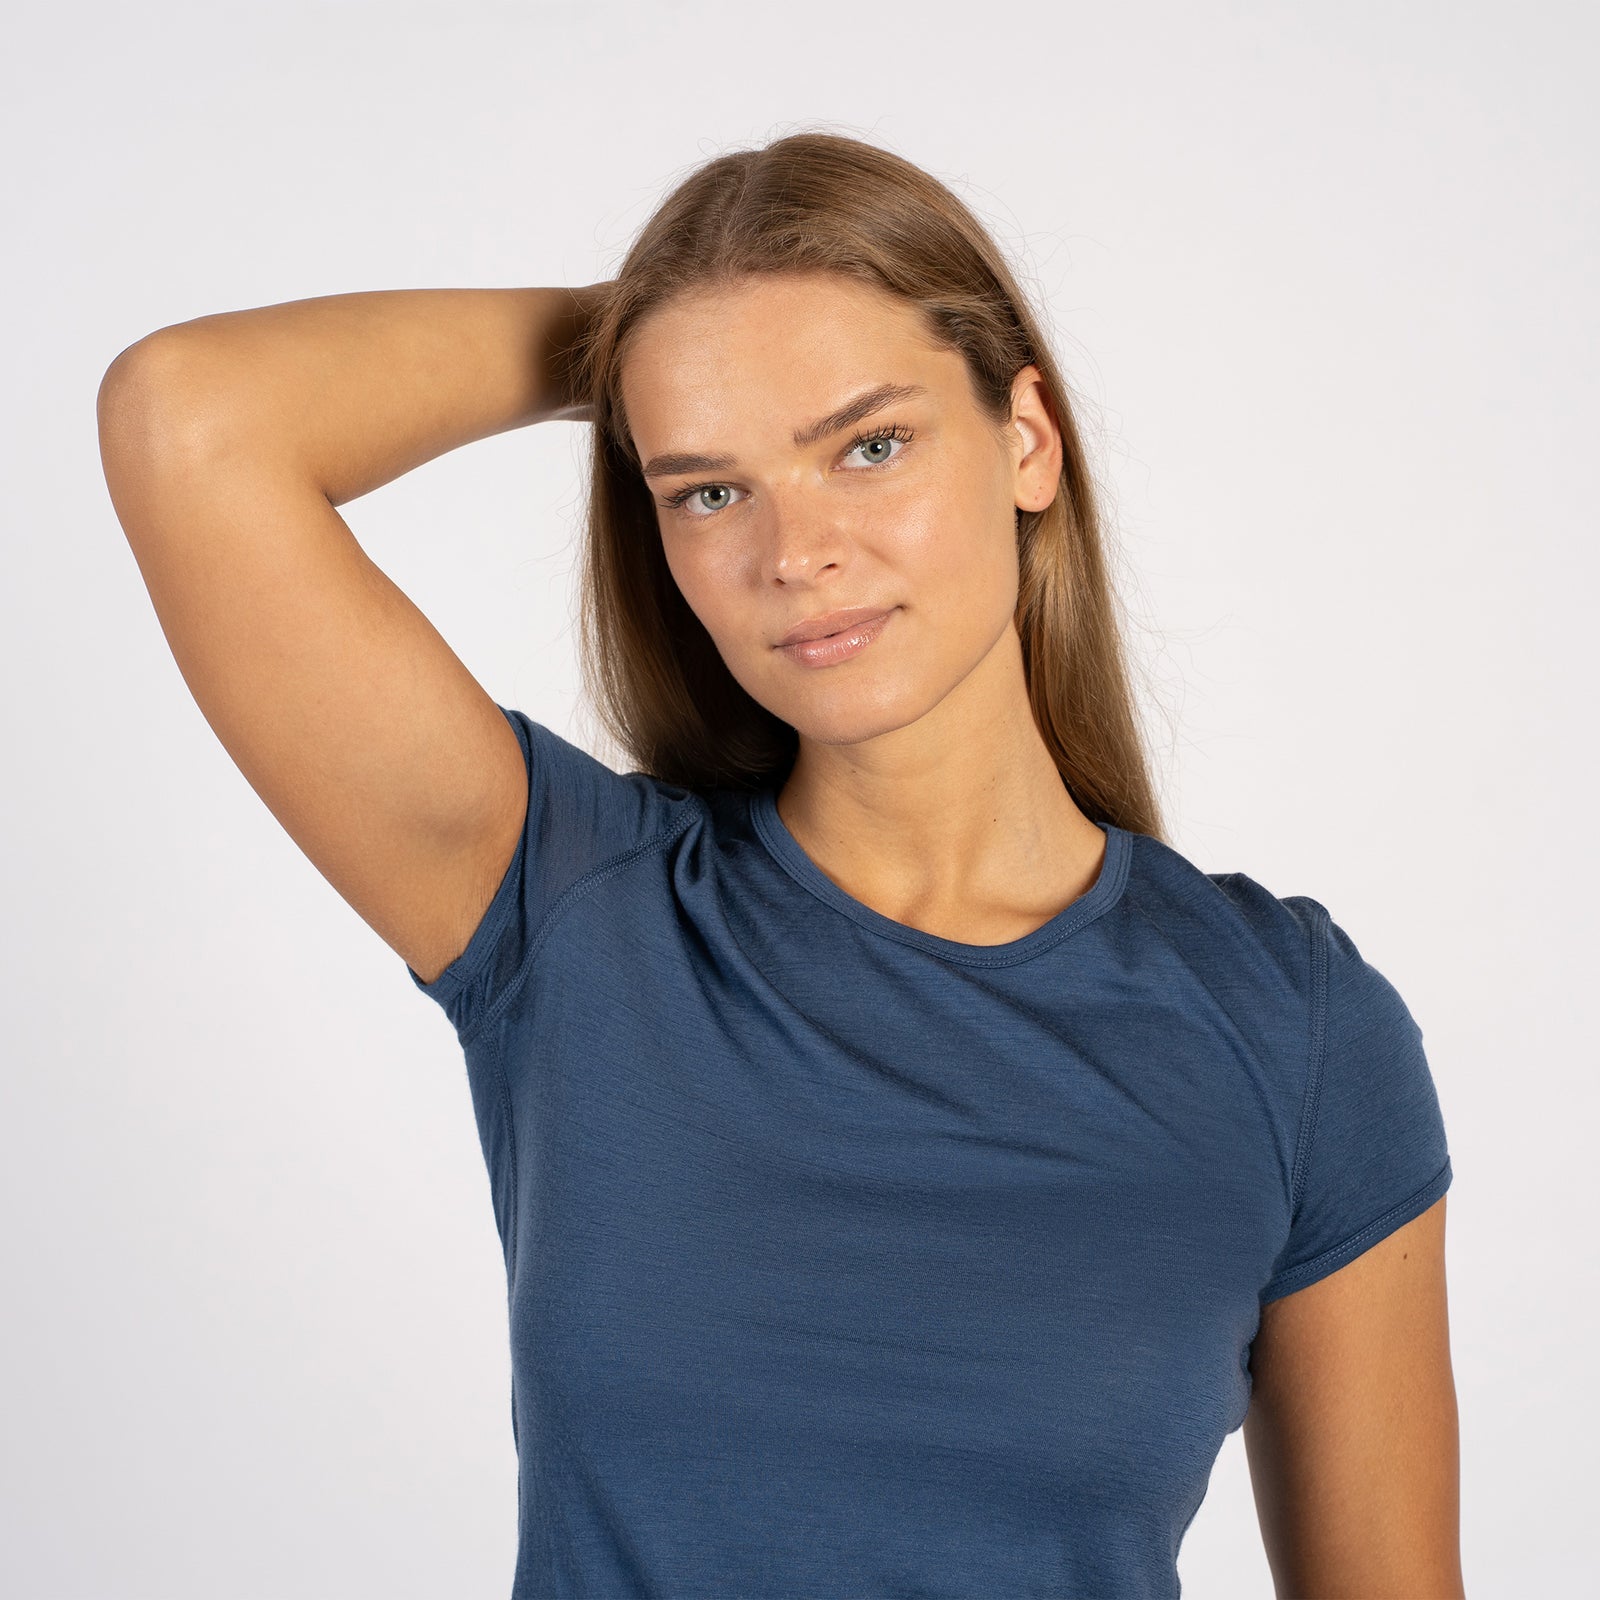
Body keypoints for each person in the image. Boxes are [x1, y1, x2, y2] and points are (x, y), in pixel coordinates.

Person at [97, 131, 1463, 1599]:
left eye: (868, 446)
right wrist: (628, 338)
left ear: (1027, 440)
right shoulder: (570, 911)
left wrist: (689, 344)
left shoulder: (1293, 1029)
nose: (795, 550)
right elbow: (189, 416)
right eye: (709, 488)